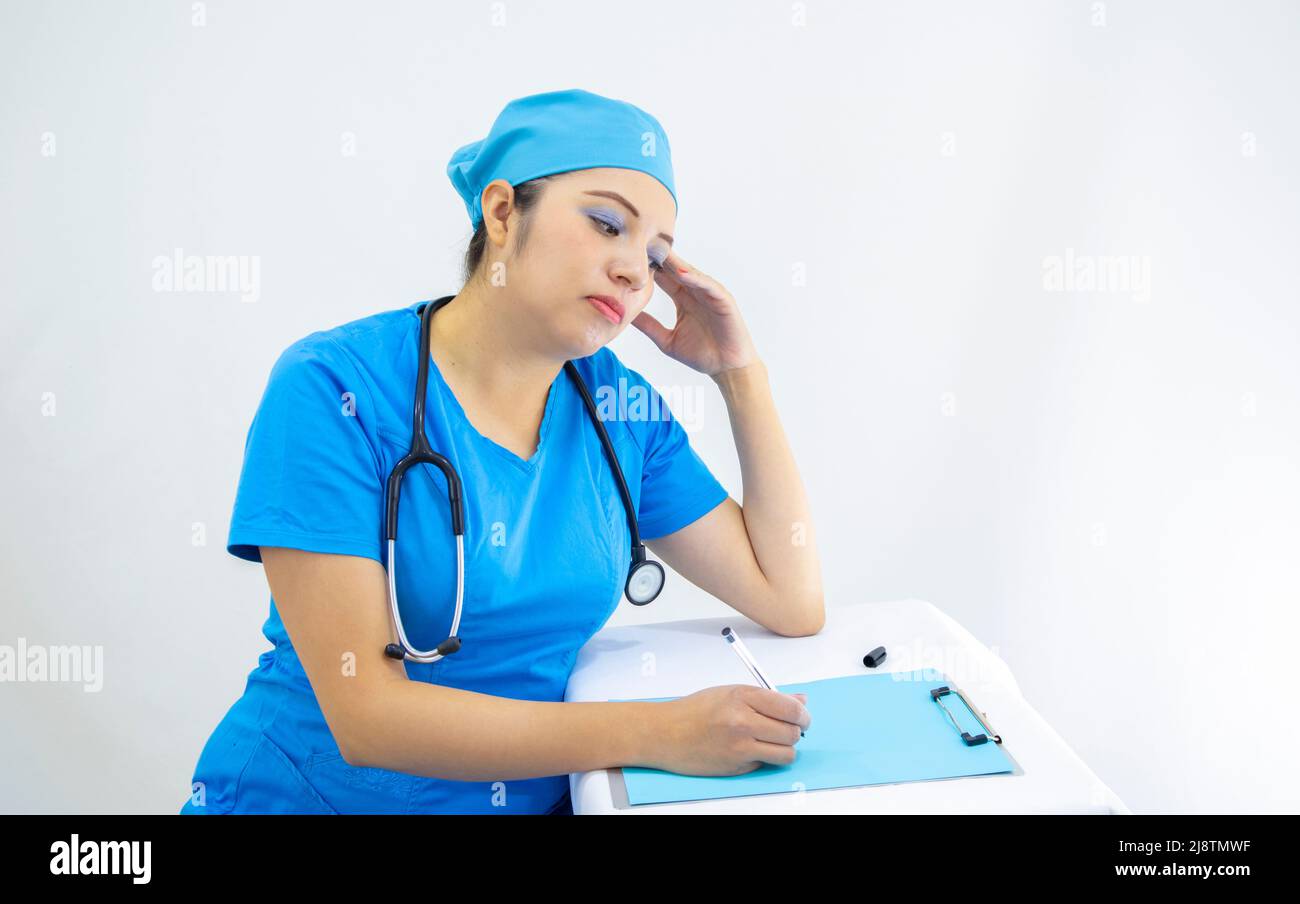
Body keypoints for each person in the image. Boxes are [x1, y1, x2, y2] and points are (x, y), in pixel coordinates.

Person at [180, 88, 823, 815]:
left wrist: (739, 374)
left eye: (655, 256)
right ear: (501, 211)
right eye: (606, 223)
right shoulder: (334, 388)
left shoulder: (618, 407)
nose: (634, 273)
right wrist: (662, 730)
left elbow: (789, 598)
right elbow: (367, 716)